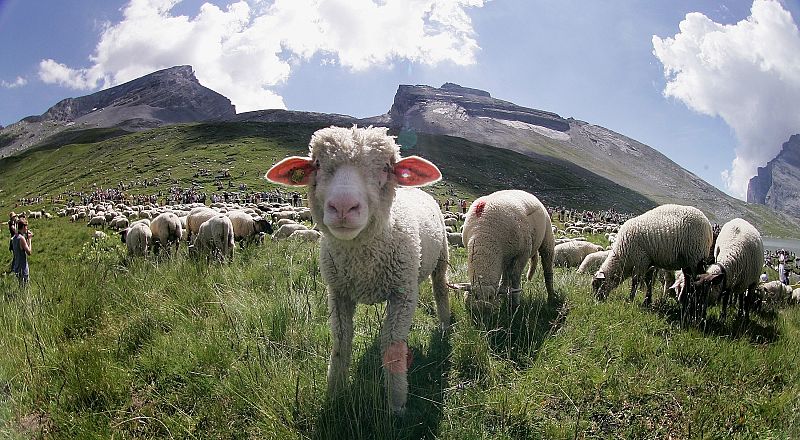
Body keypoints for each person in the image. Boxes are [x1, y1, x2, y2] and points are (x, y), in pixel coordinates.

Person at [11, 217, 32, 287]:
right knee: (25, 287)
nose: (27, 229)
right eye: (26, 227)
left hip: (17, 266)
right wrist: (29, 239)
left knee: (20, 286)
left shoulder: (14, 237)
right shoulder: (21, 238)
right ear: (23, 226)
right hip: (23, 268)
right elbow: (29, 252)